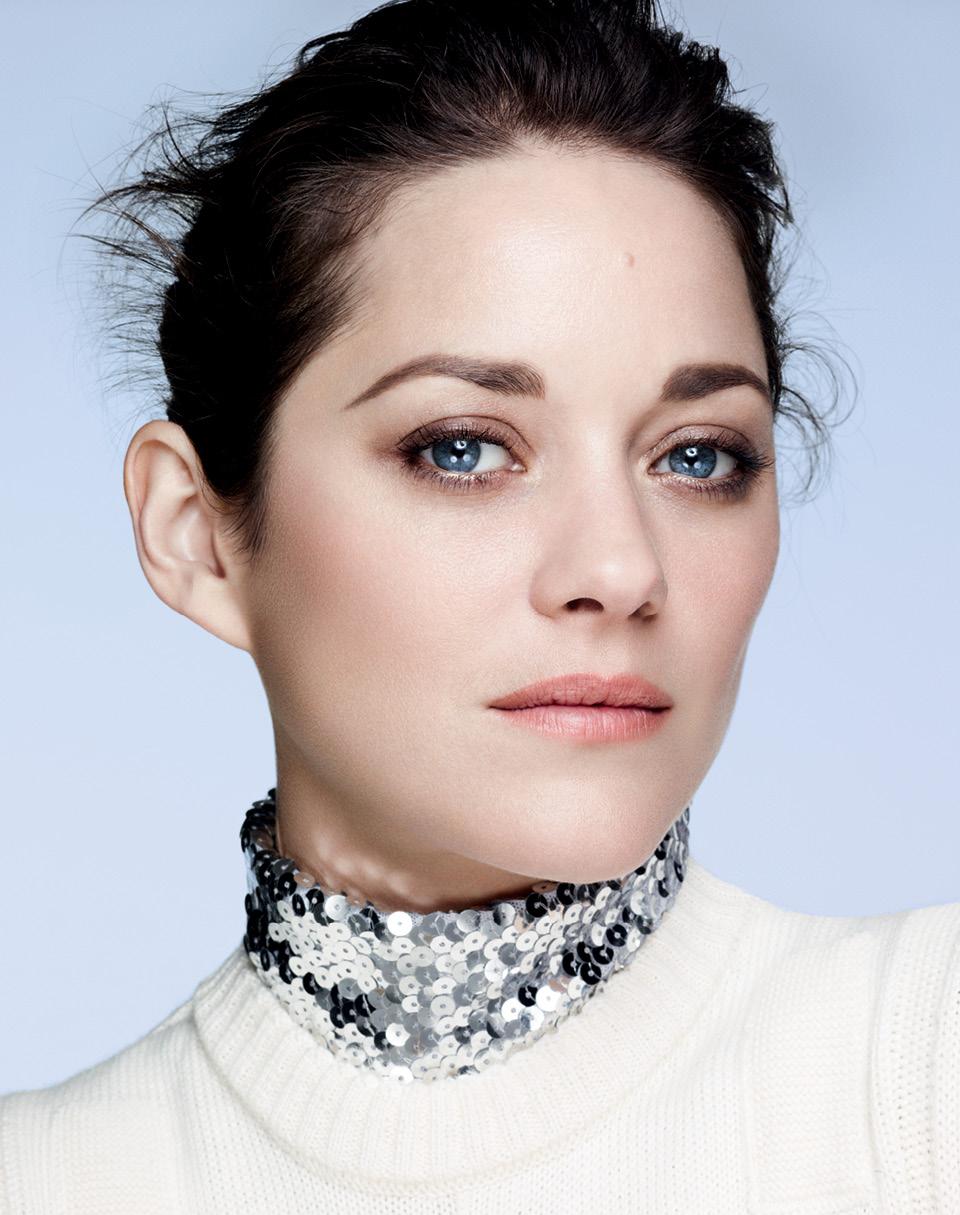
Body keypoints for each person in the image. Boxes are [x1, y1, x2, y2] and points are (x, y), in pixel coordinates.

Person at [2, 0, 957, 1210]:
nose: (620, 569)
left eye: (698, 456)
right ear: (196, 533)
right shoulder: (43, 1177)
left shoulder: (925, 1065)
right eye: (462, 449)